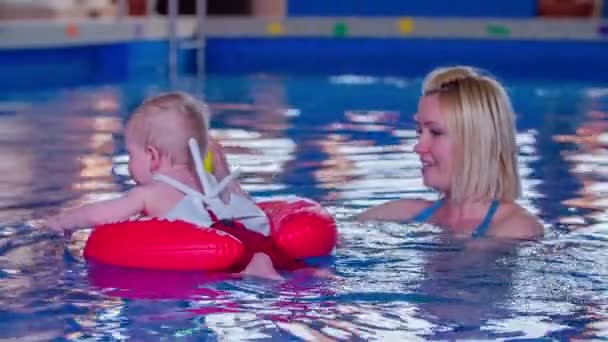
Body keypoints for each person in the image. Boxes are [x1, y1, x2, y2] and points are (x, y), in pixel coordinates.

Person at [45, 91, 300, 278]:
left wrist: (63, 223)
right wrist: (221, 169)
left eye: (132, 155)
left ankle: (252, 271)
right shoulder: (207, 180)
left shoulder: (152, 192)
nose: (130, 164)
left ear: (152, 156)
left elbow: (101, 214)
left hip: (223, 257)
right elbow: (241, 203)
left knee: (228, 274)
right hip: (254, 240)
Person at [357, 66, 543, 241]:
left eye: (435, 133)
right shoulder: (404, 214)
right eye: (420, 132)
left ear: (476, 142)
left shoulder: (516, 229)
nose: (418, 147)